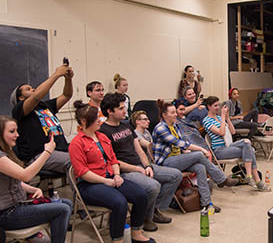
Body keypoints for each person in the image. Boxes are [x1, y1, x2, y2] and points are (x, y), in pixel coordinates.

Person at [68, 102, 155, 243]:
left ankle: (136, 233)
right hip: (89, 185)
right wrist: (106, 181)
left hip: (111, 178)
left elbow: (113, 160)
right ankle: (118, 240)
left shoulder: (102, 137)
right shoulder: (77, 143)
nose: (99, 120)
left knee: (140, 195)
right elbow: (83, 172)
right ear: (84, 121)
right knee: (119, 202)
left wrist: (117, 175)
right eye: (96, 117)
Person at [0, 116, 72, 243]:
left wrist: (33, 188)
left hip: (17, 206)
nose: (17, 135)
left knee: (67, 203)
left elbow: (15, 181)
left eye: (16, 131)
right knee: (63, 209)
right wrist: (47, 152)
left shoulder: (5, 152)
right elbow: (26, 175)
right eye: (12, 132)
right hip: (5, 214)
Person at [98, 95, 181, 230]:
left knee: (176, 175)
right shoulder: (103, 132)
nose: (125, 110)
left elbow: (139, 150)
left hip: (141, 165)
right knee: (153, 186)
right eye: (120, 108)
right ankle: (145, 218)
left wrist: (147, 166)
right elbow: (113, 161)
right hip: (125, 171)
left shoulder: (127, 126)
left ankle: (154, 210)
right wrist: (138, 170)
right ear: (109, 111)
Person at [152, 100, 238, 212]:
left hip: (177, 159)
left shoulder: (175, 126)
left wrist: (190, 155)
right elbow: (180, 143)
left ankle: (206, 203)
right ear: (164, 115)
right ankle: (221, 179)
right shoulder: (160, 128)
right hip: (166, 162)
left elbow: (182, 148)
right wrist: (201, 149)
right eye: (173, 113)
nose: (176, 115)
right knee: (198, 154)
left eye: (175, 112)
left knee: (200, 167)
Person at [10, 64, 73, 173]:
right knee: (75, 162)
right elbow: (36, 96)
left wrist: (68, 79)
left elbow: (66, 95)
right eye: (28, 89)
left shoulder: (45, 105)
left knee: (91, 155)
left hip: (60, 150)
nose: (33, 89)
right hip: (39, 154)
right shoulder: (19, 110)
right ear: (20, 97)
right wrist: (56, 74)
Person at [202, 96, 270, 192]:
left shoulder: (218, 117)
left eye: (218, 105)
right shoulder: (206, 120)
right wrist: (222, 117)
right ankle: (257, 181)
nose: (217, 108)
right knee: (249, 149)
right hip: (219, 150)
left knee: (247, 142)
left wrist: (227, 118)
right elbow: (221, 132)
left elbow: (233, 132)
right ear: (209, 106)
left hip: (229, 146)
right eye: (215, 106)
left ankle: (250, 176)